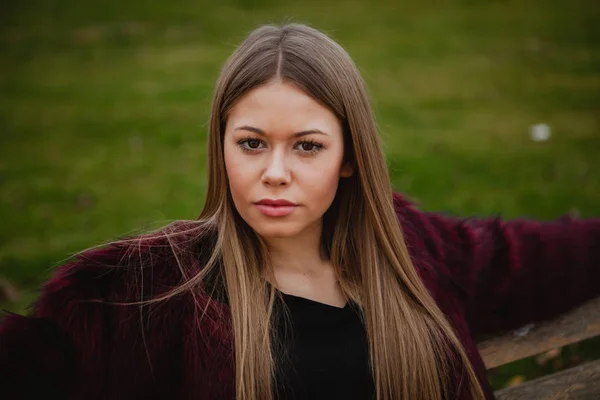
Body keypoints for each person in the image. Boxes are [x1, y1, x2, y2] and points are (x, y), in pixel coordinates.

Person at [0, 23, 599, 400]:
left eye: (307, 146)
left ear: (348, 156)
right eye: (252, 143)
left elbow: (548, 258)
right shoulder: (144, 296)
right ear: (222, 146)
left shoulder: (412, 250)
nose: (275, 172)